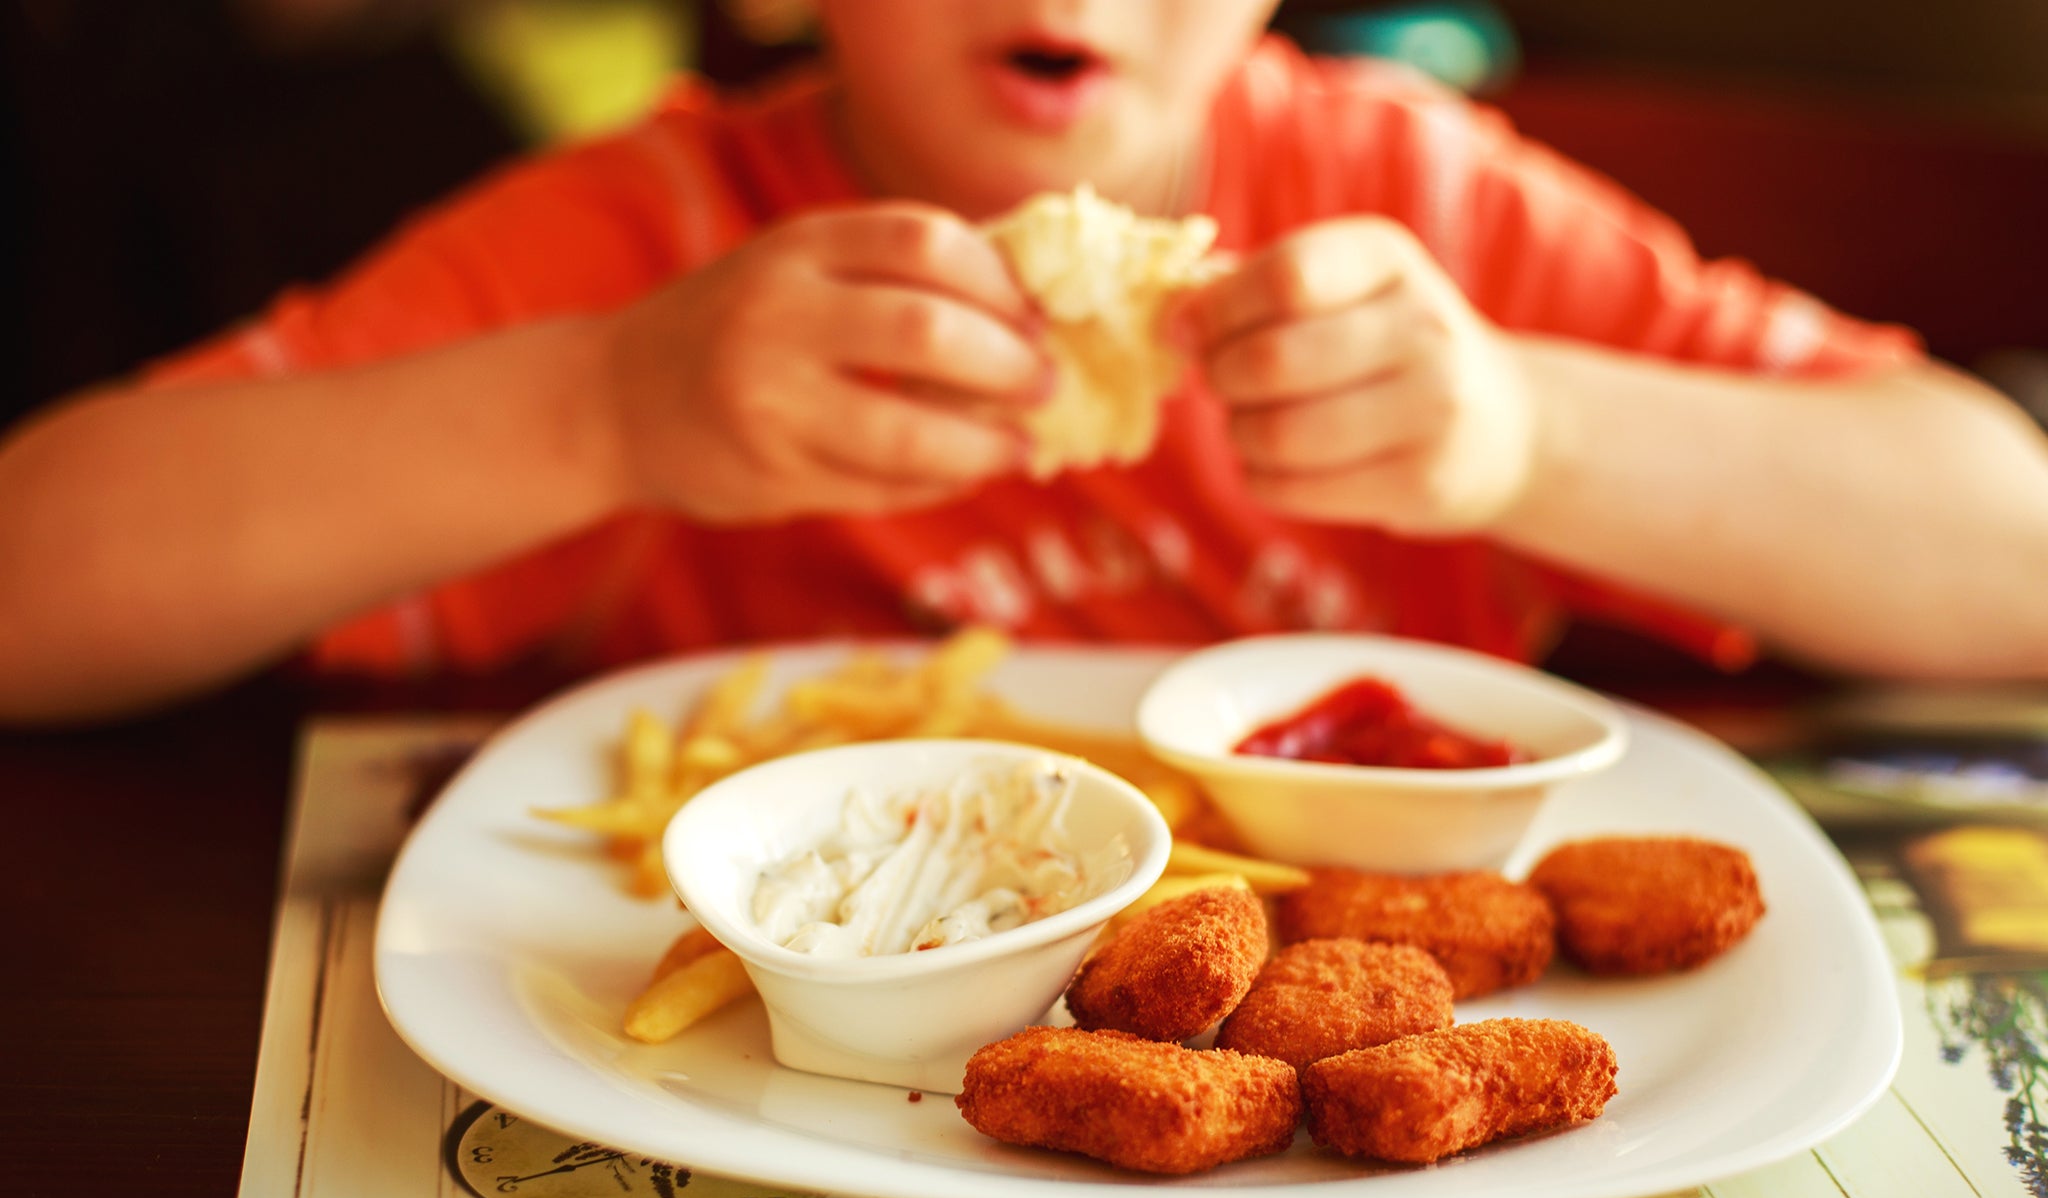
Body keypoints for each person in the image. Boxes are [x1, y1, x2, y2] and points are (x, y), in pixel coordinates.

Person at [3, 0, 2046, 725]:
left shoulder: (1406, 203)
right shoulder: (642, 252)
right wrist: (597, 406)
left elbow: (2006, 555)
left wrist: (1527, 431)